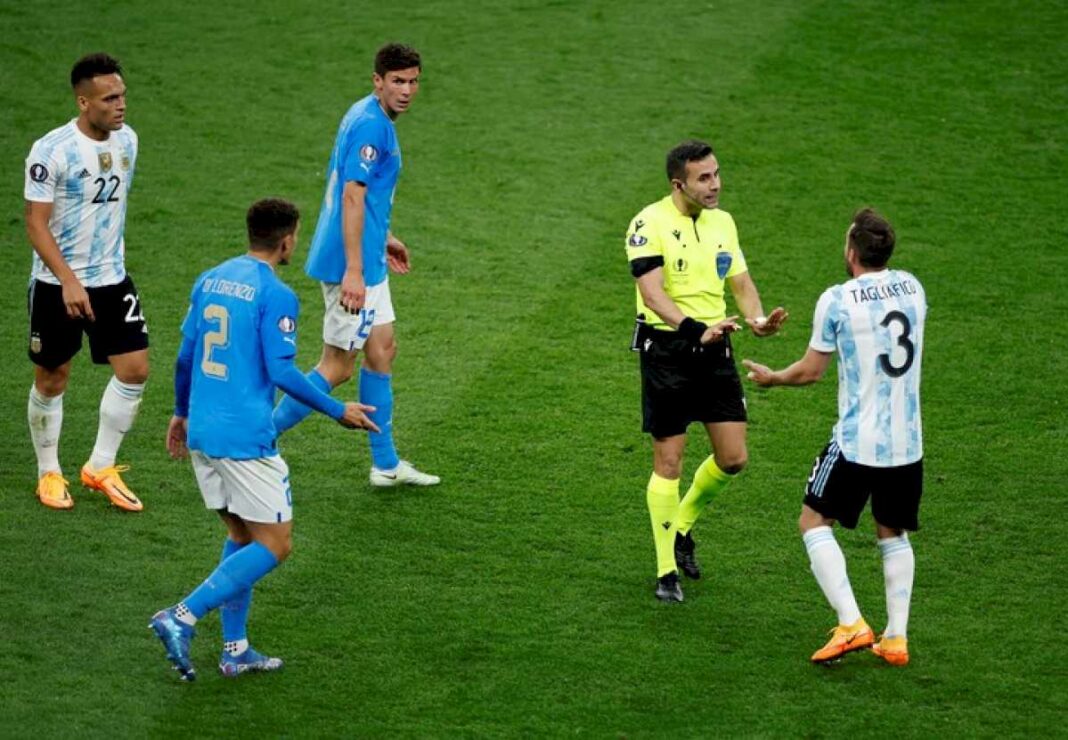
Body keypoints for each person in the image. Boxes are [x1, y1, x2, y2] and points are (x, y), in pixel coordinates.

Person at [151, 198, 378, 681]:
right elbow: (281, 372)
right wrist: (338, 410)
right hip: (245, 438)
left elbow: (185, 356)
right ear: (287, 239)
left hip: (204, 432)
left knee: (241, 536)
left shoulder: (210, 278)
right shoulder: (275, 295)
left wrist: (179, 412)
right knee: (275, 544)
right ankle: (182, 615)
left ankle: (235, 650)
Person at [743, 208, 926, 666]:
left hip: (857, 441)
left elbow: (810, 371)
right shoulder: (914, 289)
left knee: (812, 522)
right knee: (893, 532)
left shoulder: (839, 300)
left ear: (852, 252)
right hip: (908, 443)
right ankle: (896, 639)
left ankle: (851, 624)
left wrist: (774, 378)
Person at [626, 140, 788, 602]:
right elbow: (653, 295)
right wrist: (695, 329)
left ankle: (682, 527)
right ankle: (665, 574)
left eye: (716, 174)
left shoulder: (723, 223)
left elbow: (741, 283)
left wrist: (757, 321)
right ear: (679, 183)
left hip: (716, 348)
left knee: (734, 458)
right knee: (669, 462)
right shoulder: (648, 223)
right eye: (704, 178)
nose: (715, 185)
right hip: (668, 350)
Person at [272, 42, 439, 487]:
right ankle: (256, 440)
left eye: (414, 81)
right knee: (338, 366)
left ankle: (385, 464)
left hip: (367, 257)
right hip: (351, 265)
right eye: (398, 81)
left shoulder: (368, 114)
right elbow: (351, 194)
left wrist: (383, 238)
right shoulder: (371, 126)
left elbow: (364, 197)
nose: (407, 90)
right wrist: (353, 270)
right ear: (378, 81)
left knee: (382, 349)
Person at [23, 52, 148, 512]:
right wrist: (69, 280)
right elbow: (36, 224)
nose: (121, 105)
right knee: (53, 378)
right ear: (82, 101)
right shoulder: (51, 151)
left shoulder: (128, 141)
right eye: (109, 98)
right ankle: (48, 472)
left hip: (112, 280)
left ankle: (99, 465)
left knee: (134, 370)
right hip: (58, 285)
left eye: (123, 95)